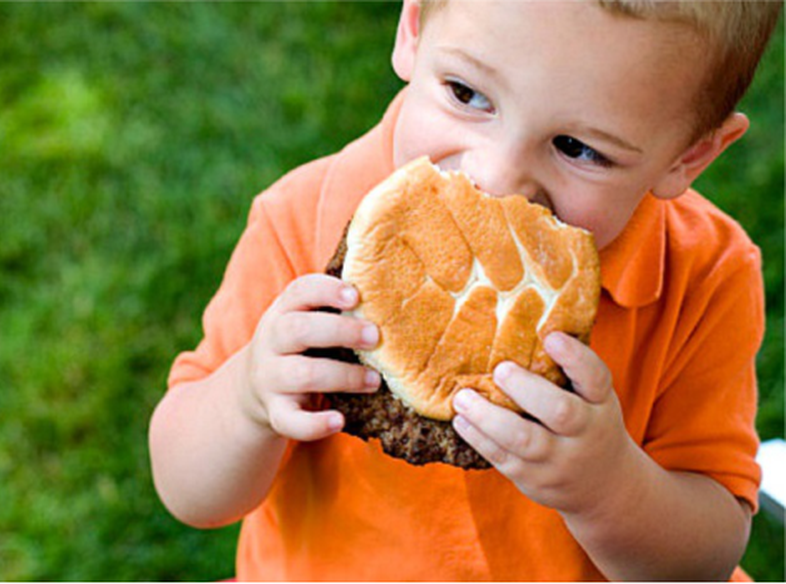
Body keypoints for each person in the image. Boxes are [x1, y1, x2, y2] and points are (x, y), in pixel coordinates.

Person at [148, 1, 782, 580]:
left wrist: (609, 488)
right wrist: (249, 399)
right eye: (467, 93)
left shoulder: (704, 275)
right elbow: (188, 489)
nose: (495, 178)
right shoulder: (298, 223)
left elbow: (702, 560)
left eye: (576, 148)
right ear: (414, 27)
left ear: (688, 157)